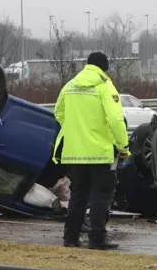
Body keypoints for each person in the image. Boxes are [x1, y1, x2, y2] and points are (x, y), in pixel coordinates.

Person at [52, 52, 130, 250]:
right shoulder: (104, 86)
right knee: (100, 196)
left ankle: (70, 238)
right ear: (105, 69)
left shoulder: (70, 85)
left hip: (74, 152)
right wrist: (123, 147)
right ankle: (97, 238)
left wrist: (77, 130)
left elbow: (58, 112)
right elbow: (115, 119)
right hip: (100, 152)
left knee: (78, 195)